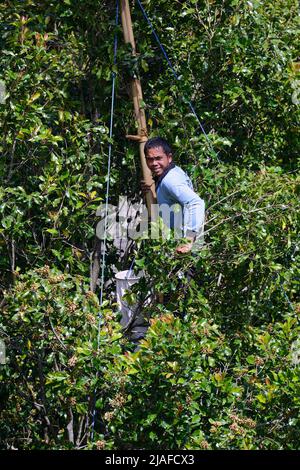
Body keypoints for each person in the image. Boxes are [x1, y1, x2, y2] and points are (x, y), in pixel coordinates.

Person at [141, 136, 205, 254]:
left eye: (158, 158)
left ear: (169, 157)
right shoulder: (169, 173)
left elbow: (196, 203)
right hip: (176, 244)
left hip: (185, 248)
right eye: (150, 159)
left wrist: (188, 239)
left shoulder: (171, 180)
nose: (154, 163)